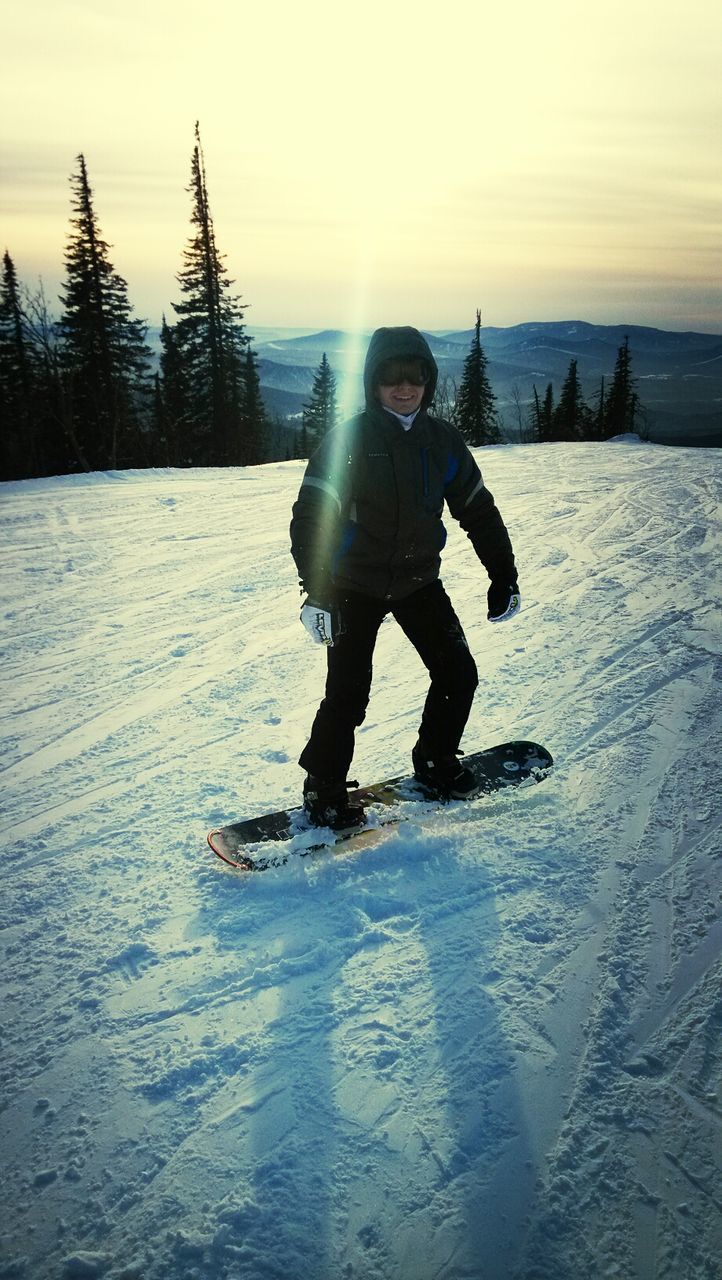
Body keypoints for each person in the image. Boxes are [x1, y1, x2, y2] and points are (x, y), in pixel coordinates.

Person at [290, 325, 520, 829]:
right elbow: (312, 515)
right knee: (347, 694)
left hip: (417, 581)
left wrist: (502, 573)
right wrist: (317, 590)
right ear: (374, 382)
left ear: (427, 381)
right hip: (353, 585)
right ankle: (323, 790)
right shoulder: (348, 440)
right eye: (391, 377)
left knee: (458, 674)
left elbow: (478, 510)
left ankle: (436, 761)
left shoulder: (442, 442)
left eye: (414, 376)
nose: (403, 387)